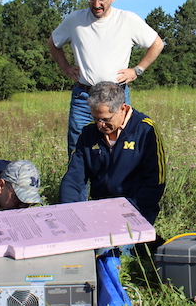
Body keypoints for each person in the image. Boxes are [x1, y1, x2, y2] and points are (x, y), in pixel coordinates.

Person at [48, 0, 164, 155]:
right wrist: (66, 67)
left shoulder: (127, 19)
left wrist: (137, 70)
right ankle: (78, 185)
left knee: (118, 148)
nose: (96, 4)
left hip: (116, 96)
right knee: (78, 150)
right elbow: (53, 43)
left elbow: (156, 44)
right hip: (83, 98)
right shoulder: (75, 20)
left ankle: (113, 184)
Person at [59, 82, 166, 225]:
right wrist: (68, 214)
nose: (100, 125)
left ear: (122, 108)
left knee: (113, 249)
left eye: (105, 119)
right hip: (99, 211)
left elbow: (155, 182)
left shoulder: (145, 130)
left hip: (136, 212)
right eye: (96, 119)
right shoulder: (89, 133)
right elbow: (74, 179)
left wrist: (127, 213)